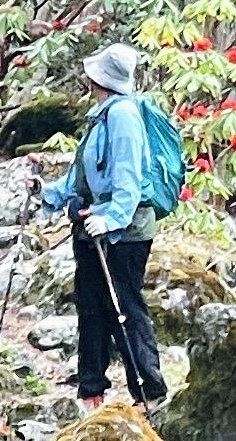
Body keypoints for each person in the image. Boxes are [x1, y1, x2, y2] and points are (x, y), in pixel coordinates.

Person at [36, 43, 181, 407]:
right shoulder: (101, 115)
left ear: (98, 77)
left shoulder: (123, 116)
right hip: (92, 227)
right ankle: (91, 390)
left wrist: (112, 218)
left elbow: (128, 178)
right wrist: (49, 194)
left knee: (124, 307)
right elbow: (84, 176)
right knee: (91, 306)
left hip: (124, 234)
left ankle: (149, 391)